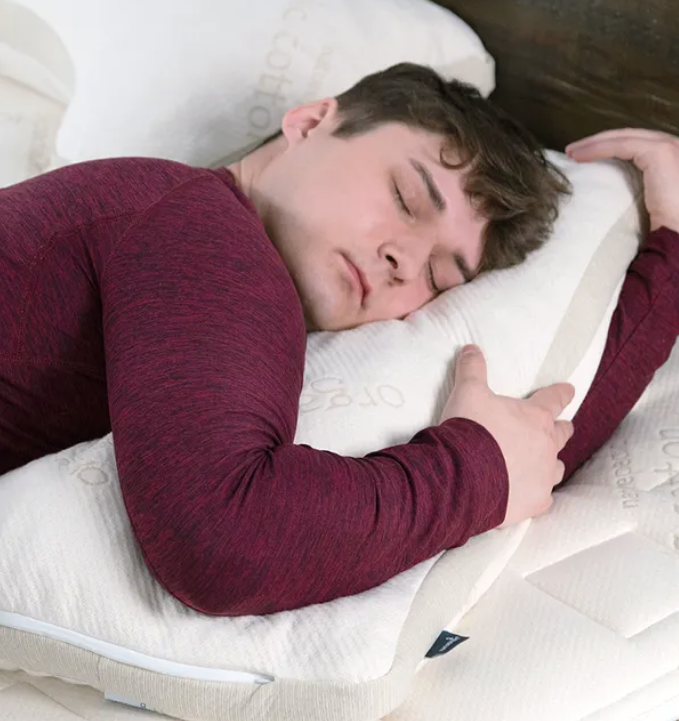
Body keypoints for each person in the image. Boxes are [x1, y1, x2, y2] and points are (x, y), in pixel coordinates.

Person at [1, 63, 678, 616]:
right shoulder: (203, 231)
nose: (403, 261)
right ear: (310, 121)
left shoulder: (202, 262)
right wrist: (469, 475)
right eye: (406, 199)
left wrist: (669, 252)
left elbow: (534, 444)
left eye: (440, 275)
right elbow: (224, 542)